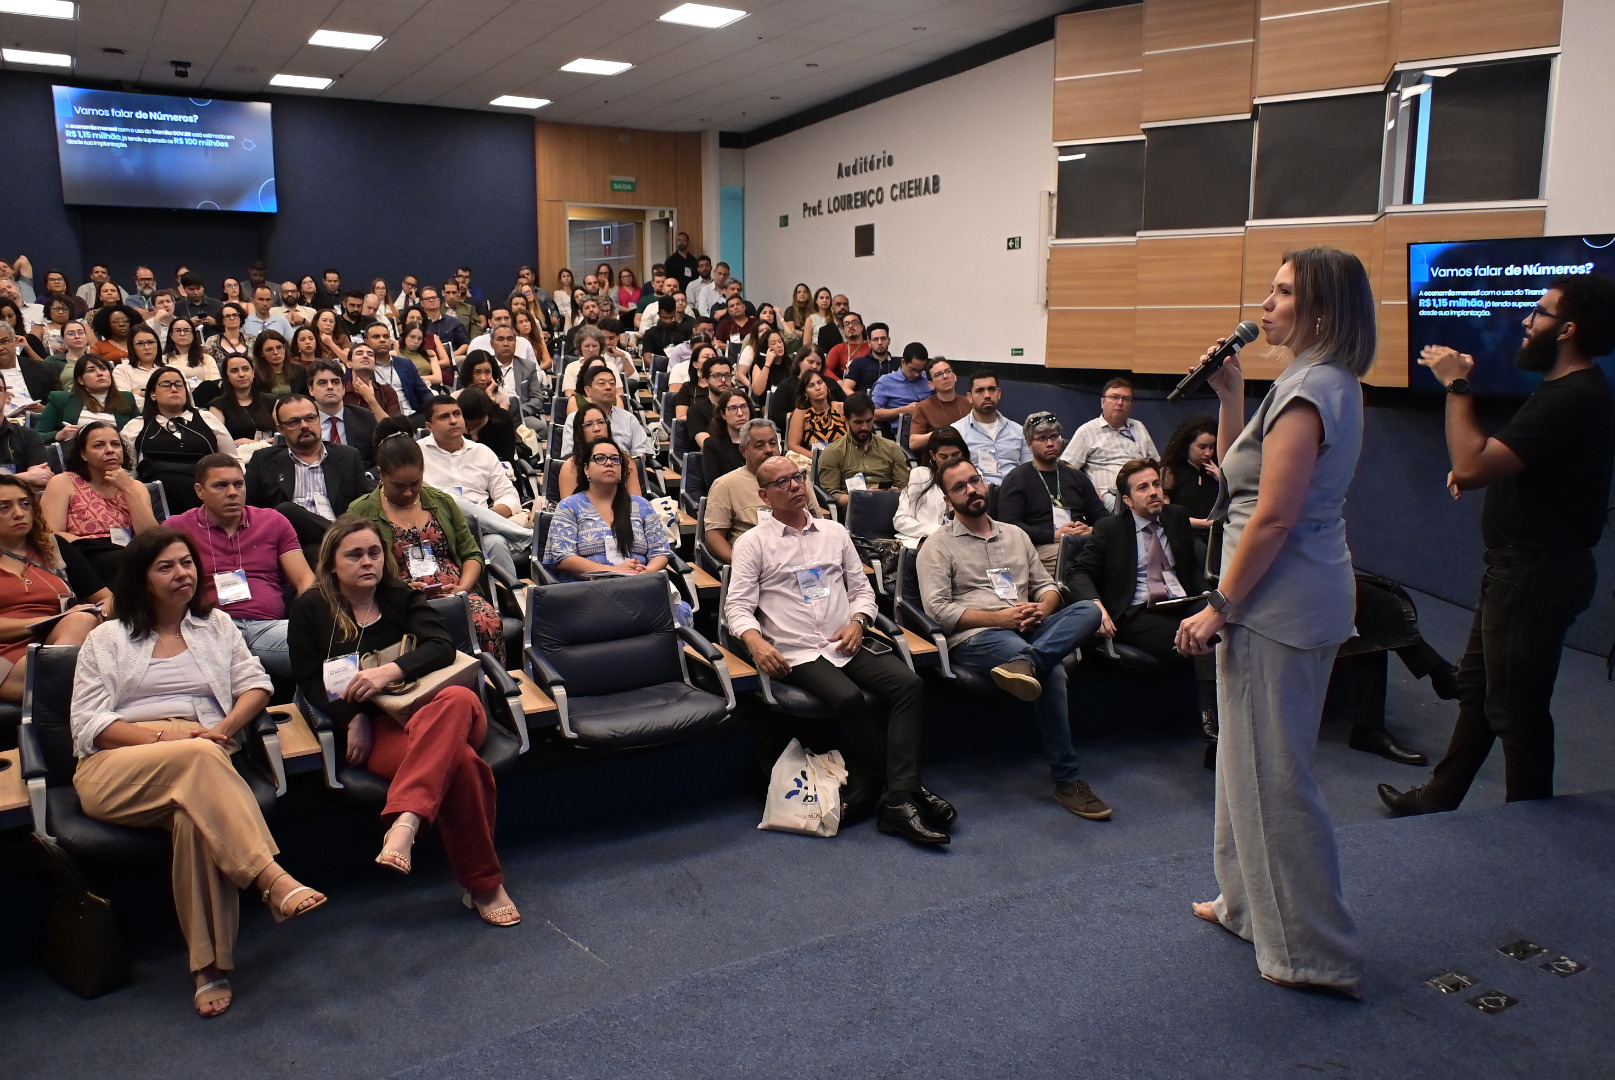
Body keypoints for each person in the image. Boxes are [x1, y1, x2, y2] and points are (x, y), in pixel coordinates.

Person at [1175, 246, 1373, 998]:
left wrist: (1218, 605)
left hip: (1275, 606)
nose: (1265, 303)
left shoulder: (1311, 388)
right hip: (1289, 596)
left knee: (1275, 778)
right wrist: (1230, 393)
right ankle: (1244, 905)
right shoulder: (1311, 381)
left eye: (1283, 292)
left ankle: (1313, 952)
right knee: (1242, 764)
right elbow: (1239, 480)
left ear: (1321, 308)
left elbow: (1273, 515)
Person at [1379, 272, 1615, 820]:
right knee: (1482, 695)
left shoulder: (1572, 396)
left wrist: (1457, 386)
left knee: (1516, 710)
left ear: (1568, 329)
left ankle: (1527, 830)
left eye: (1539, 313)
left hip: (1534, 577)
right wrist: (1486, 471)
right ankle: (1438, 798)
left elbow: (1471, 461)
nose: (1527, 321)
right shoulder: (1569, 391)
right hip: (1522, 572)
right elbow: (1518, 463)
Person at [71, 526, 325, 1017]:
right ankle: (271, 878)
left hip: (202, 756)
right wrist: (178, 738)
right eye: (166, 566)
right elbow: (90, 723)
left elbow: (256, 683)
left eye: (186, 563)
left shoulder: (216, 626)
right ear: (142, 579)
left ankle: (209, 969)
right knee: (202, 761)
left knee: (194, 821)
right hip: (117, 768)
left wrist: (224, 727)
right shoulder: (108, 637)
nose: (181, 573)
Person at [289, 515, 517, 928]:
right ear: (331, 562)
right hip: (383, 730)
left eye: (374, 552)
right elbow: (309, 679)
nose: (367, 562)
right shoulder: (311, 609)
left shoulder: (399, 595)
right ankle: (484, 884)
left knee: (459, 697)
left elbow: (441, 647)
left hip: (446, 712)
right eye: (354, 554)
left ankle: (407, 819)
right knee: (460, 763)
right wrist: (352, 716)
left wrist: (389, 672)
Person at [727, 453, 951, 845]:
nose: (795, 485)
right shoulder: (752, 543)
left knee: (909, 685)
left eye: (798, 477)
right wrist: (756, 641)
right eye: (783, 482)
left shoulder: (834, 532)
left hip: (844, 640)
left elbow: (862, 590)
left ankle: (900, 797)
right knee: (848, 699)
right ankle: (908, 793)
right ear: (764, 495)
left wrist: (858, 621)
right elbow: (737, 607)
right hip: (796, 652)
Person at [918, 457, 1108, 818]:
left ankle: (1028, 662)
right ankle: (1068, 780)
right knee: (1052, 671)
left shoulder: (1015, 534)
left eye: (974, 480)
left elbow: (1047, 586)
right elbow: (939, 611)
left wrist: (1043, 609)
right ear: (947, 499)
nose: (972, 489)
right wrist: (1000, 618)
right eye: (960, 486)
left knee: (1090, 610)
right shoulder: (938, 546)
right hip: (980, 636)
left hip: (1031, 627)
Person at [1064, 457, 1217, 738]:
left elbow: (1191, 569)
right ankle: (1209, 714)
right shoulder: (1110, 529)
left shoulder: (1177, 516)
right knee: (1199, 635)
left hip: (1182, 602)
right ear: (1128, 500)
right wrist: (1097, 608)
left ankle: (1225, 711)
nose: (1154, 492)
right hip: (1137, 612)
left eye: (1156, 484)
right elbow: (1077, 573)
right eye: (1143, 488)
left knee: (1219, 620)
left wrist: (1208, 599)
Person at [348, 430, 504, 662]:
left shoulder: (441, 502)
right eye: (399, 485)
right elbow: (357, 569)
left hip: (454, 593)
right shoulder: (361, 511)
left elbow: (471, 552)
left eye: (415, 483)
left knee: (487, 621)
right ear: (381, 475)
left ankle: (492, 688)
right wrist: (403, 590)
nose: (409, 492)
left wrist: (463, 587)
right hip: (397, 598)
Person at [170, 455, 313, 678]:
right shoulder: (177, 528)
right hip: (208, 628)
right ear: (199, 491)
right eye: (221, 485)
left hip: (267, 627)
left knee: (323, 652)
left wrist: (305, 622)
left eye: (238, 484)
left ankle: (302, 713)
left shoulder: (272, 521)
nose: (232, 492)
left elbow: (305, 580)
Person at [419, 396, 531, 582]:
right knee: (452, 501)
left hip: (480, 532)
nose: (453, 420)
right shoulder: (416, 454)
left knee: (496, 542)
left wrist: (483, 517)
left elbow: (509, 496)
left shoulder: (482, 452)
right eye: (444, 417)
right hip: (440, 530)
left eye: (457, 414)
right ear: (429, 426)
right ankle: (527, 537)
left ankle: (510, 600)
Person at [43, 420, 159, 584]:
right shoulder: (63, 482)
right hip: (83, 557)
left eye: (115, 444)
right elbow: (51, 535)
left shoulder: (135, 487)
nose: (110, 450)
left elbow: (150, 536)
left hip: (129, 555)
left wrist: (128, 490)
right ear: (83, 454)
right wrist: (96, 546)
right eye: (99, 445)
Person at [244, 394, 367, 549]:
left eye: (310, 418)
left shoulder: (348, 456)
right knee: (285, 511)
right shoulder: (263, 461)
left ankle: (337, 540)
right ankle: (339, 539)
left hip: (336, 544)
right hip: (287, 545)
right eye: (294, 422)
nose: (304, 425)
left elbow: (363, 506)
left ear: (319, 420)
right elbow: (251, 512)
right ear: (280, 429)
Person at [543, 436, 674, 580]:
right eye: (600, 458)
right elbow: (563, 558)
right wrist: (613, 570)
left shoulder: (642, 505)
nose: (609, 463)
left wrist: (648, 571)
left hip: (639, 583)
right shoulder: (569, 506)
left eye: (615, 459)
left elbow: (660, 551)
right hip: (587, 588)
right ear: (586, 469)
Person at [998, 411, 1107, 573]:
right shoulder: (1017, 479)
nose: (1050, 443)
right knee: (1077, 558)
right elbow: (1010, 527)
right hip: (1041, 547)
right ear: (1029, 444)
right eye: (1042, 438)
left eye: (1054, 436)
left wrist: (1092, 529)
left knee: (1113, 549)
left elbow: (1102, 517)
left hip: (1081, 541)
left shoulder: (1077, 477)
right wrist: (1054, 536)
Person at [704, 419, 824, 564]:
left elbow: (818, 522)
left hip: (805, 557)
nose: (769, 449)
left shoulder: (798, 477)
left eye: (773, 443)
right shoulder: (725, 485)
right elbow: (714, 536)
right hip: (757, 561)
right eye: (760, 445)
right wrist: (742, 565)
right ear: (743, 451)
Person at [123, 367, 236, 515]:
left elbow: (232, 459)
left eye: (179, 384)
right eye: (166, 384)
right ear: (152, 394)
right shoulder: (136, 426)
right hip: (158, 500)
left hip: (206, 492)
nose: (174, 389)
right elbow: (128, 472)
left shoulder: (206, 419)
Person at [1062, 378, 1158, 511]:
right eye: (1114, 397)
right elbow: (1068, 468)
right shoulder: (1087, 430)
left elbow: (1155, 463)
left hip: (1141, 490)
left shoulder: (1139, 427)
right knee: (1129, 513)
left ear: (1131, 404)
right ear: (1103, 402)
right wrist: (1088, 489)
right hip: (1107, 494)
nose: (1120, 403)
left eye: (1126, 399)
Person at [816, 392, 911, 508]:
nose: (865, 427)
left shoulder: (891, 448)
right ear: (846, 420)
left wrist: (893, 493)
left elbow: (904, 488)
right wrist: (863, 496)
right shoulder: (833, 452)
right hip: (854, 507)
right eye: (858, 422)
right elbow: (830, 495)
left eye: (869, 420)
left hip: (889, 505)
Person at [558, 364, 655, 457]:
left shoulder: (628, 418)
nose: (608, 387)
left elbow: (641, 451)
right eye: (601, 383)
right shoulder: (574, 418)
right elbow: (570, 455)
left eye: (612, 384)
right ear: (588, 390)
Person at [894, 426, 968, 547]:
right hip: (926, 542)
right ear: (933, 455)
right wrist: (938, 531)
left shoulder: (972, 477)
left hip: (963, 543)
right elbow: (900, 520)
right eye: (943, 457)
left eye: (955, 455)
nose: (950, 461)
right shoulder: (920, 475)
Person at [38, 355, 138, 444]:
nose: (100, 373)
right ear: (80, 380)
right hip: (76, 458)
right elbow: (37, 436)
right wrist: (59, 435)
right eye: (91, 370)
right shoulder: (61, 400)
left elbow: (141, 431)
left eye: (103, 368)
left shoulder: (126, 398)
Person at [955, 369, 1027, 485]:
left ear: (999, 393)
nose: (987, 395)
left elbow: (1029, 472)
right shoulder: (957, 432)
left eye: (991, 389)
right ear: (969, 397)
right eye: (980, 391)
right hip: (977, 495)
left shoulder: (1019, 431)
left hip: (1015, 494)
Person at [558, 405, 642, 499]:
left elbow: (637, 504)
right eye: (589, 424)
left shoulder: (626, 461)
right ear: (580, 431)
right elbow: (568, 510)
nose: (597, 428)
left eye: (601, 422)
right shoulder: (571, 466)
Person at [308, 358, 379, 466]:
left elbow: (380, 459)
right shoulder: (304, 423)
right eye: (322, 383)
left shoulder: (364, 417)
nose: (330, 387)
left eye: (335, 382)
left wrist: (368, 476)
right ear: (311, 390)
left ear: (344, 388)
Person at [1159, 415, 1220, 537]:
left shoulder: (1215, 471)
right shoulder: (1170, 471)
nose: (1208, 453)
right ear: (1187, 445)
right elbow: (1165, 513)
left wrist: (1222, 480)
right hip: (1183, 534)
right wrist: (1201, 524)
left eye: (1211, 447)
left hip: (1214, 533)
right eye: (1202, 447)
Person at [210, 354, 277, 445]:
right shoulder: (217, 406)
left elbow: (284, 435)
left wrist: (255, 443)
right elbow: (219, 442)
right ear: (226, 376)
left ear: (253, 373)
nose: (241, 374)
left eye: (246, 369)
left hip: (273, 452)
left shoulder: (272, 401)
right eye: (234, 371)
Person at [870, 341, 932, 433]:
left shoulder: (928, 380)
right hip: (905, 430)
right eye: (913, 369)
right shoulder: (886, 382)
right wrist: (904, 410)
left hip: (930, 425)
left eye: (920, 370)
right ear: (903, 362)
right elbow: (873, 414)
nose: (917, 374)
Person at [786, 369, 847, 457]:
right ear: (805, 393)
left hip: (844, 459)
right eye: (811, 385)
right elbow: (792, 445)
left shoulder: (841, 407)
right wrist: (817, 458)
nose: (818, 388)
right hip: (814, 462)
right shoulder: (801, 413)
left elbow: (853, 439)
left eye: (820, 382)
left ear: (826, 385)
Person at [702, 390, 753, 481]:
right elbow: (713, 484)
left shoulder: (760, 441)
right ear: (723, 414)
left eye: (744, 406)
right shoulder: (713, 445)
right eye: (733, 408)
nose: (740, 413)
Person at [160, 316, 221, 392]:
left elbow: (215, 383)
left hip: (203, 395)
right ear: (171, 335)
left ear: (193, 335)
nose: (182, 334)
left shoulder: (206, 358)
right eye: (178, 330)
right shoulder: (163, 360)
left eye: (186, 330)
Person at [112, 324, 165, 409]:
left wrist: (142, 393)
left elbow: (184, 399)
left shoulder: (172, 369)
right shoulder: (122, 370)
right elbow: (126, 401)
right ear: (132, 347)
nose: (146, 347)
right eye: (140, 343)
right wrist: (164, 401)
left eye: (151, 342)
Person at [844, 322, 900, 397]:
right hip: (866, 405)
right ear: (869, 343)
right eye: (875, 339)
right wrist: (862, 402)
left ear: (889, 340)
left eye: (883, 338)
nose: (880, 343)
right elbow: (846, 388)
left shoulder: (900, 363)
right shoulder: (858, 363)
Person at [251, 329, 307, 398]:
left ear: (284, 348)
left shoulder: (299, 370)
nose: (276, 352)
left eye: (279, 347)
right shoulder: (255, 375)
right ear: (261, 353)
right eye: (269, 349)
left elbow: (307, 396)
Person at [825, 313, 870, 389]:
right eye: (847, 324)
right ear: (844, 330)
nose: (851, 326)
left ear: (862, 327)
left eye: (854, 322)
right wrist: (840, 382)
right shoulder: (838, 348)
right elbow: (825, 369)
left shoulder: (871, 346)